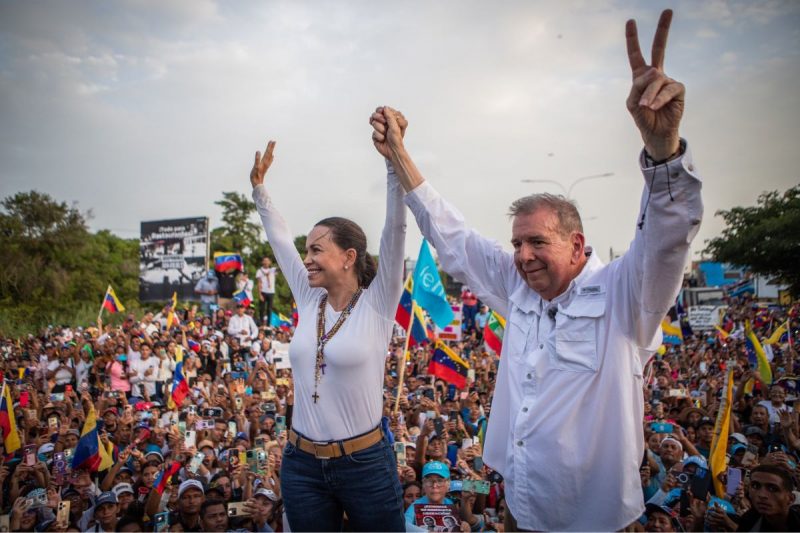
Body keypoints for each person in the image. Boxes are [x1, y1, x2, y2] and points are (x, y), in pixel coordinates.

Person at [370, 9, 702, 530]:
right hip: (523, 511)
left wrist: (663, 152)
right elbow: (452, 237)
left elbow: (666, 240)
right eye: (517, 243)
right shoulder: (516, 287)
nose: (522, 256)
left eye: (537, 242)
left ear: (577, 245)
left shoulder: (625, 295)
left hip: (598, 520)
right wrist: (399, 154)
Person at [249, 137, 407, 531]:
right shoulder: (307, 296)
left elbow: (395, 231)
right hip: (301, 465)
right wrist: (259, 189)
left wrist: (393, 165)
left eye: (317, 250)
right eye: (307, 251)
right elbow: (279, 240)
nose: (307, 259)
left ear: (348, 257)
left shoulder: (377, 303)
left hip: (365, 463)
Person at [257, 257, 278, 326]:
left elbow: (280, 269)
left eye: (267, 261)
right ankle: (261, 323)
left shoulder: (272, 270)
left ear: (270, 262)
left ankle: (268, 324)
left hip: (271, 292)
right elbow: (259, 283)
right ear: (262, 262)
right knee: (262, 309)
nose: (266, 262)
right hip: (263, 291)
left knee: (269, 309)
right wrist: (259, 294)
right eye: (264, 261)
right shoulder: (259, 271)